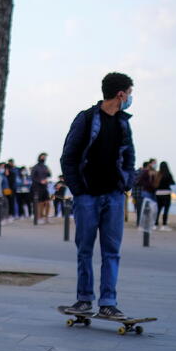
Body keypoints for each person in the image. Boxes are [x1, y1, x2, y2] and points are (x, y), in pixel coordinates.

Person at [59, 72, 136, 319]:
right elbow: (68, 157)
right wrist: (79, 190)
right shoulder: (86, 119)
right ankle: (84, 300)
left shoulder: (123, 123)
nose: (130, 98)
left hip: (114, 196)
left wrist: (126, 183)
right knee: (85, 250)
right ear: (121, 94)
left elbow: (129, 156)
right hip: (88, 197)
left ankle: (108, 303)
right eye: (130, 93)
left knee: (112, 251)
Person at [30, 153, 51, 222]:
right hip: (37, 187)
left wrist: (48, 172)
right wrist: (40, 181)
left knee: (47, 202)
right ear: (39, 157)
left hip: (44, 187)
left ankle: (46, 217)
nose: (44, 158)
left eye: (45, 157)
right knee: (39, 202)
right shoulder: (35, 167)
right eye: (43, 157)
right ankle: (39, 217)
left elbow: (49, 175)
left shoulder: (45, 167)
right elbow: (32, 177)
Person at [154, 161, 174, 231]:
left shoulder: (158, 174)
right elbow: (172, 182)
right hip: (166, 193)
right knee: (166, 210)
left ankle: (155, 224)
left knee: (158, 210)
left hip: (158, 193)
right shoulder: (168, 174)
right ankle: (164, 225)